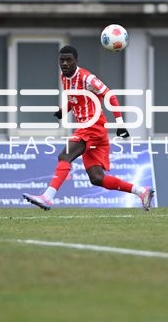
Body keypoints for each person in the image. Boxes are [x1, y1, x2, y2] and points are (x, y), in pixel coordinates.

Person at [23, 45, 154, 211]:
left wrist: (120, 123)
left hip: (92, 127)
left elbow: (110, 96)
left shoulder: (87, 78)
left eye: (69, 60)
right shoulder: (65, 77)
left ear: (76, 61)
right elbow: (75, 98)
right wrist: (64, 110)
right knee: (97, 178)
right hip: (91, 130)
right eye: (62, 60)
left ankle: (47, 197)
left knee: (64, 156)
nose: (65, 63)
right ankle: (142, 191)